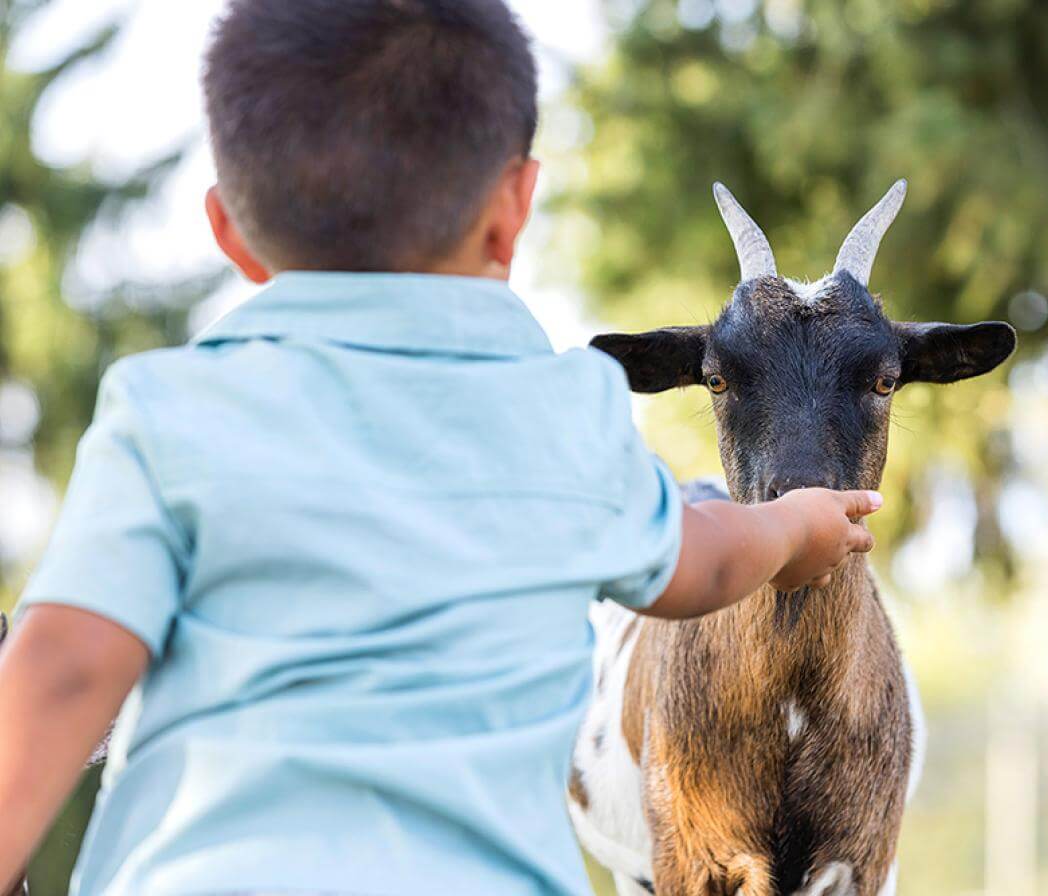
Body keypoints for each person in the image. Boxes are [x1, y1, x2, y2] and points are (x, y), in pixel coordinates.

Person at [0, 1, 883, 893]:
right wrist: (791, 528)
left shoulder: (166, 413)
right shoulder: (560, 410)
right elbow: (702, 563)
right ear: (513, 210)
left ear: (228, 230)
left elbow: (61, 669)